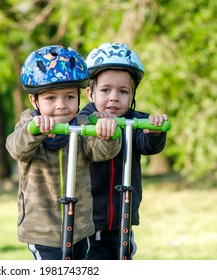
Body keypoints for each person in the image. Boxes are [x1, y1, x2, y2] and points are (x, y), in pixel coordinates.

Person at [6, 45, 122, 260]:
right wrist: (34, 131)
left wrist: (109, 135)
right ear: (34, 100)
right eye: (51, 98)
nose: (61, 106)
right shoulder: (28, 124)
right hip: (43, 231)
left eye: (69, 97)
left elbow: (100, 152)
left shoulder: (83, 124)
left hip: (80, 228)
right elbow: (16, 148)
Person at [79, 42, 168, 260]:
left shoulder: (135, 121)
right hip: (89, 217)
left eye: (123, 91)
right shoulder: (83, 121)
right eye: (105, 90)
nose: (114, 97)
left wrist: (153, 131)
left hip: (122, 214)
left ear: (132, 95)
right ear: (91, 93)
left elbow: (147, 146)